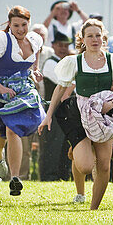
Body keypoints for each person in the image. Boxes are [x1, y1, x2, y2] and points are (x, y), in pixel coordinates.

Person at [42, 19, 113, 210]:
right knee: (85, 166)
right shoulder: (74, 61)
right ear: (82, 39)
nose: (94, 39)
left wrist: (111, 103)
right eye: (90, 36)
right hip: (79, 113)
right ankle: (79, 150)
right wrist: (48, 115)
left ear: (103, 38)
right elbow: (60, 88)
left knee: (104, 166)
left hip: (104, 113)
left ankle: (93, 208)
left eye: (98, 35)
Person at [0, 5, 44, 197]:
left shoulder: (35, 39)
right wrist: (0, 88)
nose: (20, 29)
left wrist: (34, 71)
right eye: (16, 25)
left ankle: (15, 178)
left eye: (24, 25)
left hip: (23, 90)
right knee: (0, 138)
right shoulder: (1, 40)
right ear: (9, 24)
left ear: (29, 23)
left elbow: (36, 58)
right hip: (1, 90)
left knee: (13, 128)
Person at [38, 30, 75, 183]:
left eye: (66, 46)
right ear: (53, 45)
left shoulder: (68, 63)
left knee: (65, 144)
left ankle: (63, 175)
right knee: (52, 144)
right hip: (53, 111)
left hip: (67, 111)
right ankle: (49, 176)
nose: (63, 48)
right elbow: (67, 82)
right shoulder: (50, 63)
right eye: (60, 45)